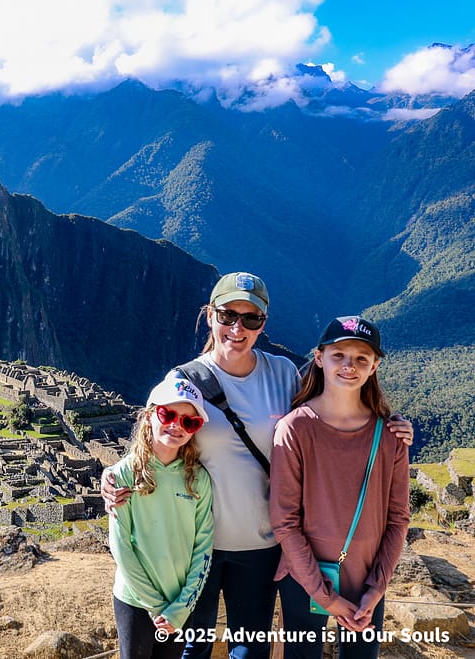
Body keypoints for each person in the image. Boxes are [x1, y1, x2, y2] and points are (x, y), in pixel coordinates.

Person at [102, 272, 414, 659]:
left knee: (249, 652)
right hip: (197, 545)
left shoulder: (283, 374)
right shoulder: (185, 381)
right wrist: (111, 475)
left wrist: (392, 425)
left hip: (262, 545)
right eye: (228, 315)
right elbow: (153, 440)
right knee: (192, 651)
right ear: (210, 315)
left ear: (263, 323)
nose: (238, 328)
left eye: (251, 319)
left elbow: (334, 409)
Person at [269, 316, 409, 659]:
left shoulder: (390, 437)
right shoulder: (295, 430)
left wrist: (377, 588)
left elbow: (398, 518)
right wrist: (324, 595)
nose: (349, 366)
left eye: (362, 358)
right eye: (339, 355)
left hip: (365, 580)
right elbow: (285, 521)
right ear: (319, 358)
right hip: (305, 578)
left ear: (375, 366)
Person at [109, 372, 214, 659]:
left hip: (179, 604)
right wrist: (156, 606)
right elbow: (120, 546)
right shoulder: (124, 474)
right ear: (149, 416)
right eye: (168, 414)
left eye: (189, 421)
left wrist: (180, 608)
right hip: (135, 601)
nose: (176, 426)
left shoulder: (198, 480)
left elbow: (203, 549)